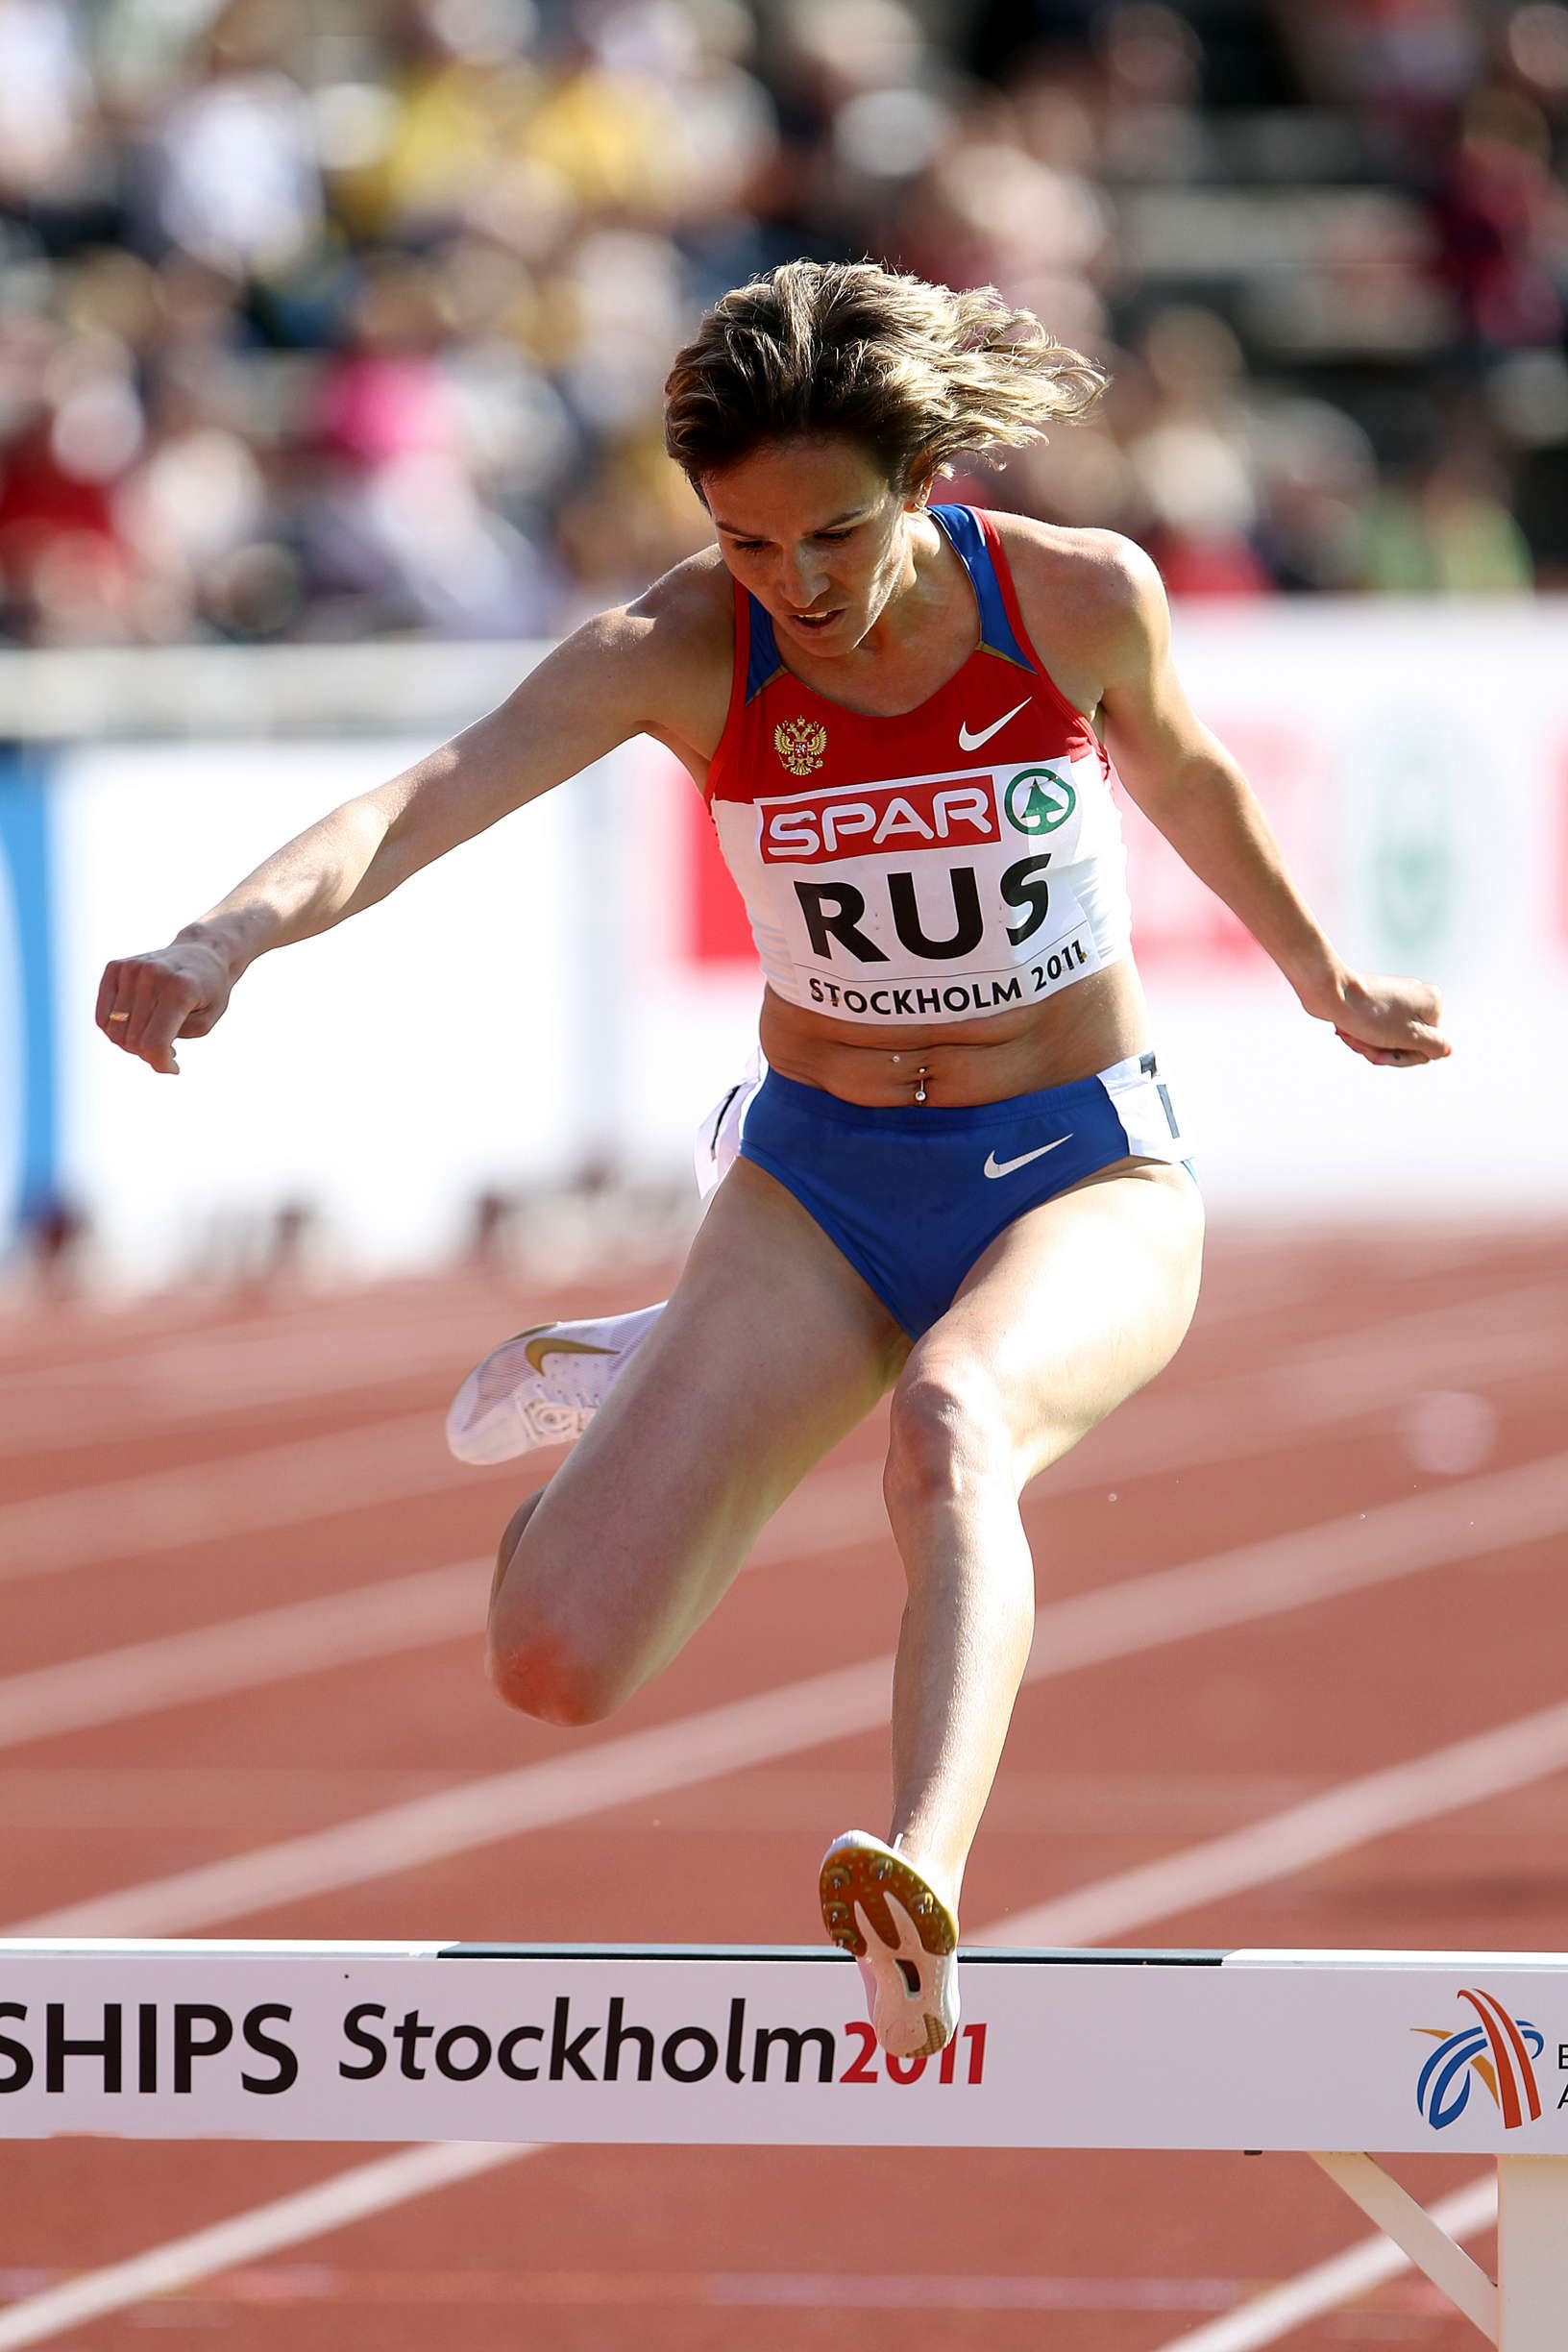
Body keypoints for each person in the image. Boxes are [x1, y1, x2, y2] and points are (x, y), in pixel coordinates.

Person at [97, 260, 1449, 2059]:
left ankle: (918, 1873)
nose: (796, 586)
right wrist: (222, 939)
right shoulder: (675, 648)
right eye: (747, 544)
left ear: (922, 485)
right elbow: (419, 802)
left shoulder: (1072, 596)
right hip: (818, 1185)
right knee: (555, 1665)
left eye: (834, 537)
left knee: (954, 1423)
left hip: (1078, 1169)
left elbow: (1192, 779)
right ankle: (647, 1368)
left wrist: (1324, 977)